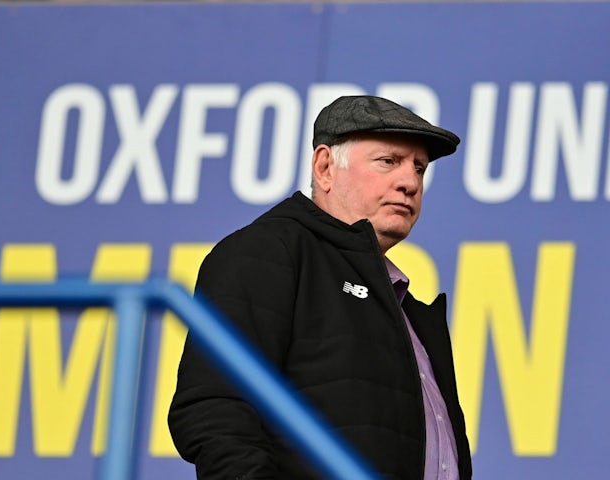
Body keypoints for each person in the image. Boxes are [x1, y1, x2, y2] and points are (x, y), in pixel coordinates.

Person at [168, 95, 472, 480]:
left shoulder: (403, 305)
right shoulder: (267, 252)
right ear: (325, 167)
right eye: (388, 162)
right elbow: (215, 408)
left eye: (419, 168)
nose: (410, 182)